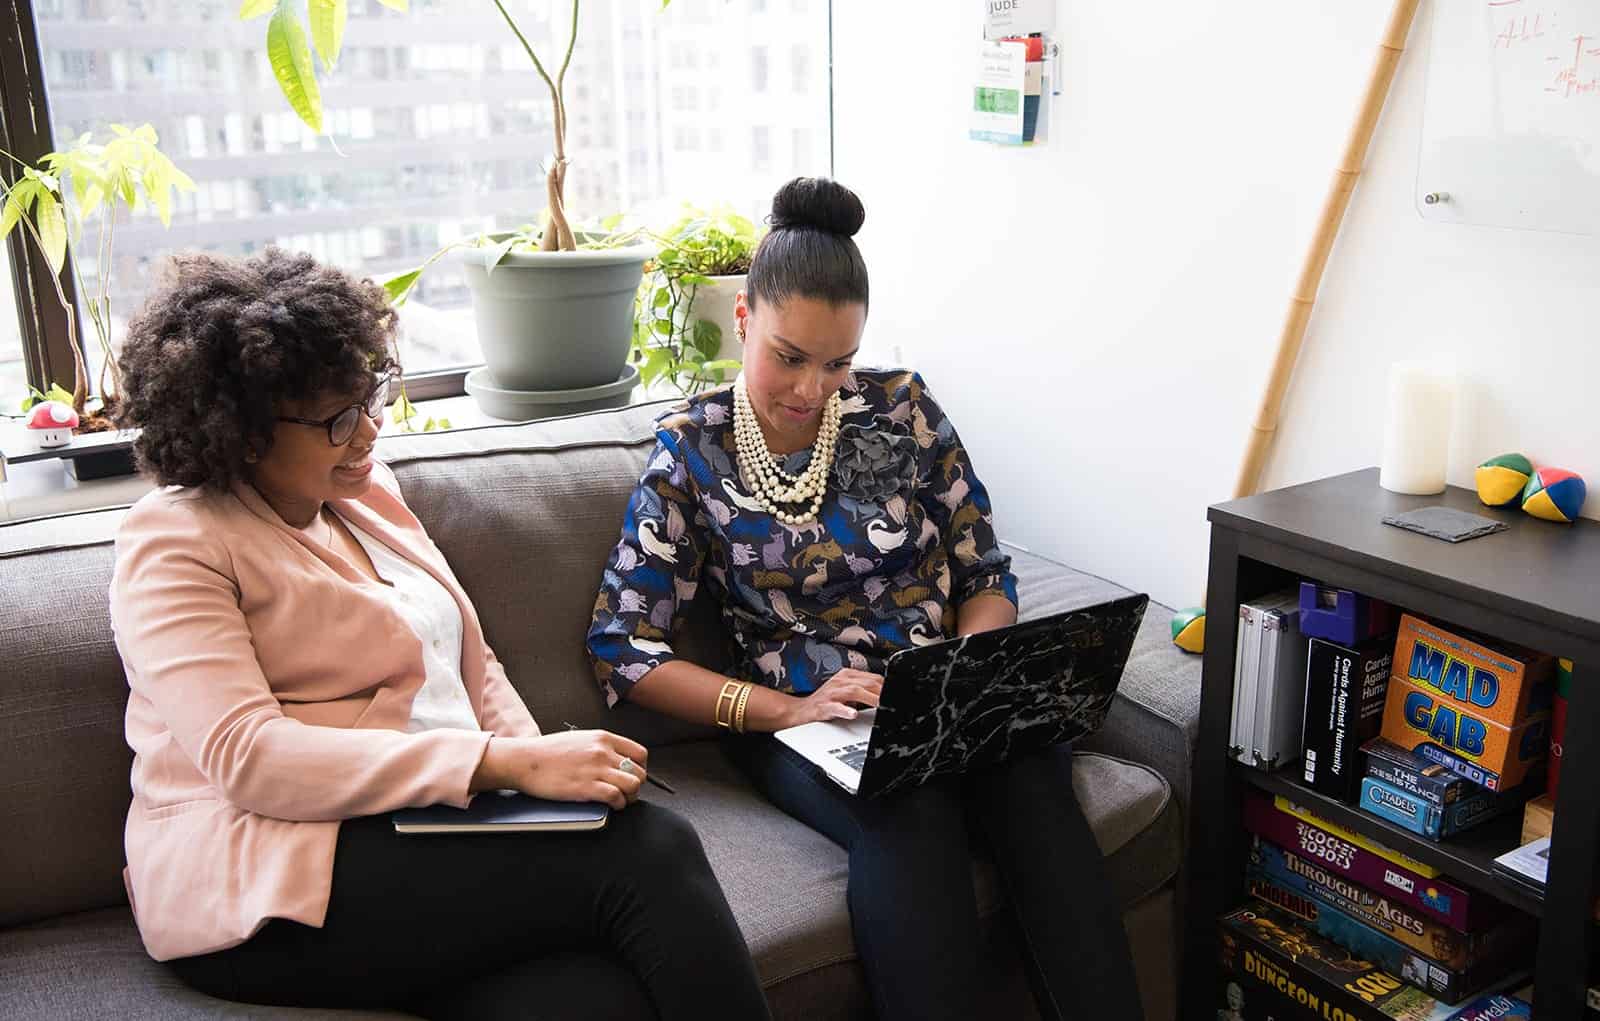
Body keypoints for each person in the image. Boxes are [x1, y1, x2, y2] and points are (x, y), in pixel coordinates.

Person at [110, 247, 771, 1021]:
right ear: (245, 431)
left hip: (420, 832)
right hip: (266, 876)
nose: (369, 431)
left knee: (598, 998)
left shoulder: (364, 492)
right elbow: (250, 757)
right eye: (338, 418)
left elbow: (471, 661)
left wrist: (544, 779)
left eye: (370, 395)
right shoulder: (175, 541)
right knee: (651, 849)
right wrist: (505, 764)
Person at [587, 178, 1144, 1021]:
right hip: (805, 720)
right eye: (790, 356)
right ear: (743, 319)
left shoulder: (904, 411)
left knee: (1032, 770)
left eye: (838, 361)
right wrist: (786, 708)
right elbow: (623, 648)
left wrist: (967, 669)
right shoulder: (689, 453)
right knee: (906, 804)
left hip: (940, 693)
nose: (815, 389)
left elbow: (984, 574)